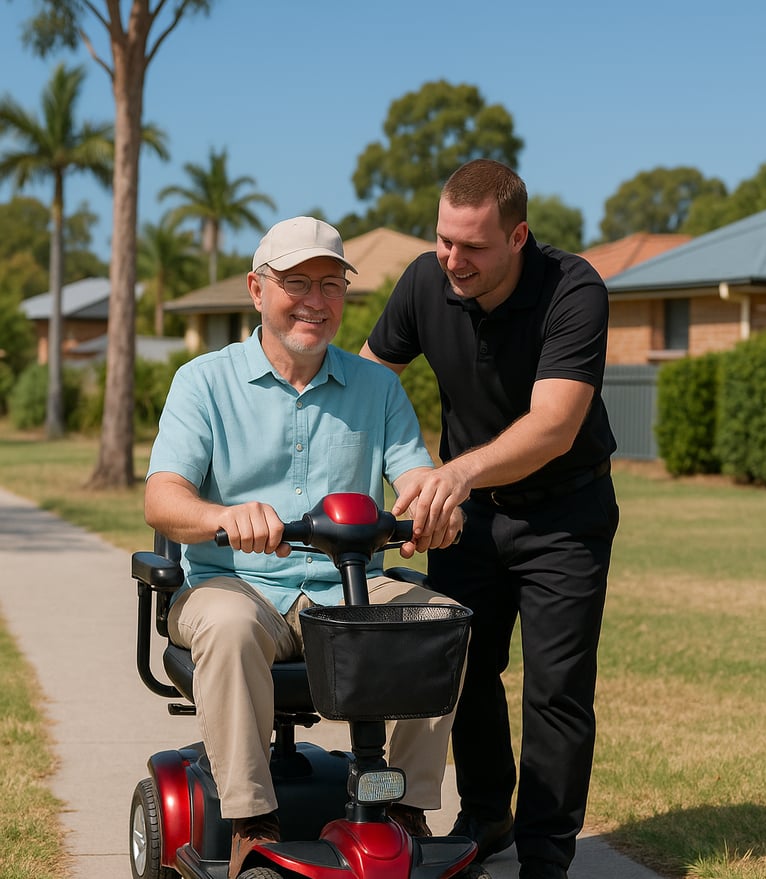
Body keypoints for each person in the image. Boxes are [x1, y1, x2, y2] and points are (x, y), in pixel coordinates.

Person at [144, 216, 465, 879]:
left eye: (330, 284)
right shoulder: (203, 381)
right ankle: (251, 822)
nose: (315, 300)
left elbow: (412, 481)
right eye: (296, 283)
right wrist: (225, 517)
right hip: (232, 586)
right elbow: (163, 499)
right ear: (257, 289)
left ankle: (402, 811)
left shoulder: (378, 388)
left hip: (344, 593)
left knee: (435, 617)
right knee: (230, 624)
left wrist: (433, 510)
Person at [360, 159, 620, 879]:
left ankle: (543, 855)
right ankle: (485, 813)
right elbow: (368, 380)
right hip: (467, 518)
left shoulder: (573, 289)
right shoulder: (423, 281)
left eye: (471, 246)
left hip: (565, 514)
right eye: (444, 240)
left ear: (517, 237)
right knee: (463, 665)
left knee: (556, 687)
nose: (452, 259)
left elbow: (554, 425)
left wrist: (457, 471)